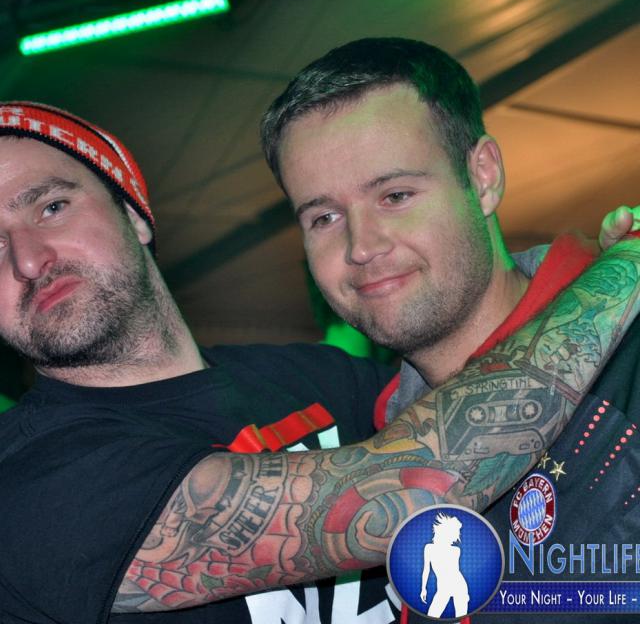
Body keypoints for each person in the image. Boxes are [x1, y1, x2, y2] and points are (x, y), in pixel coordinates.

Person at [0, 100, 634, 624]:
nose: (28, 259)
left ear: (133, 214)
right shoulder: (28, 488)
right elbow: (427, 482)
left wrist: (573, 269)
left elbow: (484, 363)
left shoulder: (320, 380)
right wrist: (623, 268)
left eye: (51, 207)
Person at [259, 37, 640, 623]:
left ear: (482, 177)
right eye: (324, 216)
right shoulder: (365, 440)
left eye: (395, 195)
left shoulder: (628, 352)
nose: (361, 246)